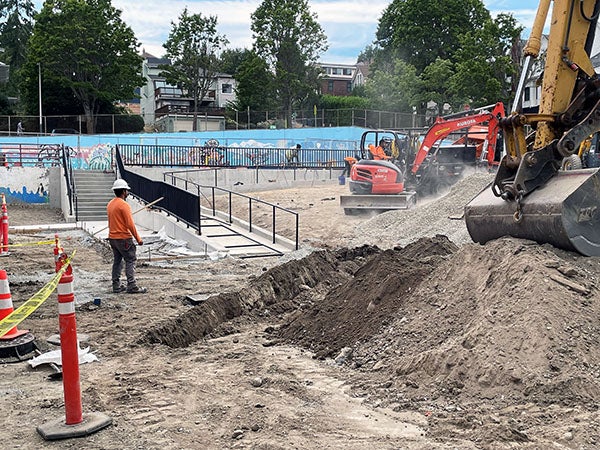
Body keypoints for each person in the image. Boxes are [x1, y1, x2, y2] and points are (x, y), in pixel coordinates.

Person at [107, 179, 146, 294]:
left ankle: (116, 285)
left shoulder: (110, 204)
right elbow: (130, 224)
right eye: (127, 191)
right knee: (130, 260)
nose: (128, 193)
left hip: (113, 238)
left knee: (117, 261)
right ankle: (132, 285)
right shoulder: (124, 205)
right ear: (124, 191)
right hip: (123, 238)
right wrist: (138, 239)